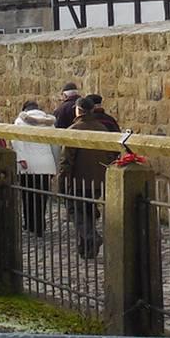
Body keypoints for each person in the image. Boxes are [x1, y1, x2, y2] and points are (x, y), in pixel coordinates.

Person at [59, 95, 113, 258]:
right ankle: (86, 248)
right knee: (88, 210)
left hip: (78, 179)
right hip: (98, 179)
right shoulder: (102, 129)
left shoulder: (74, 130)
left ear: (78, 110)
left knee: (75, 211)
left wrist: (62, 181)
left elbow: (66, 160)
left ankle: (91, 237)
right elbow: (110, 155)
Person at [10, 100, 58, 235]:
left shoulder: (20, 121)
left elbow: (16, 140)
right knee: (42, 196)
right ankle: (40, 225)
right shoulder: (49, 123)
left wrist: (21, 158)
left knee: (27, 195)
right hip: (46, 163)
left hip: (28, 164)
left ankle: (29, 224)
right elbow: (55, 145)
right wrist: (55, 164)